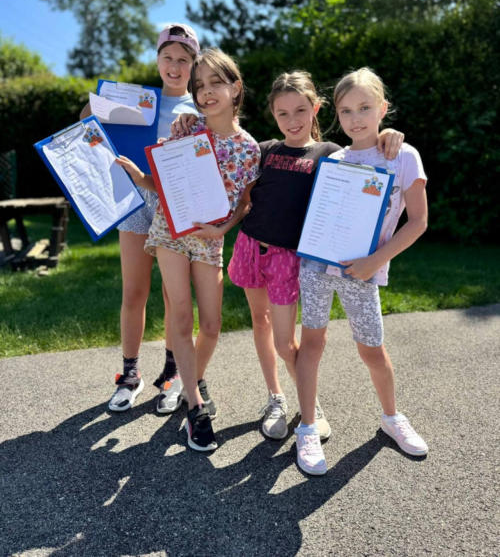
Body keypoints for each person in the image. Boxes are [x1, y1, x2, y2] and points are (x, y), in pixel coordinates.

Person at [226, 71, 404, 442]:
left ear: (316, 109)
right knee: (259, 322)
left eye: (300, 111)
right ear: (273, 115)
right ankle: (276, 398)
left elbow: (365, 147)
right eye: (283, 113)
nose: (292, 120)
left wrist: (389, 134)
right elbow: (240, 184)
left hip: (288, 257)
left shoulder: (330, 154)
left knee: (284, 342)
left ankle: (311, 406)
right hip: (250, 246)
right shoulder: (265, 150)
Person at [117, 48, 260, 451]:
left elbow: (245, 202)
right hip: (171, 232)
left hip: (210, 240)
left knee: (211, 324)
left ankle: (191, 379)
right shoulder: (185, 128)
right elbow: (163, 183)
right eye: (199, 86)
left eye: (216, 83)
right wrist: (139, 177)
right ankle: (195, 407)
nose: (206, 92)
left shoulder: (250, 148)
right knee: (180, 313)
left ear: (236, 88)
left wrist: (223, 229)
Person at [294, 66, 428, 475]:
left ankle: (391, 418)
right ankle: (307, 427)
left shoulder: (403, 156)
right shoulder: (334, 159)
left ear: (383, 108)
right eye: (347, 110)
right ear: (336, 114)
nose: (356, 118)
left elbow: (418, 222)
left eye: (365, 108)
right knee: (311, 345)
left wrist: (375, 261)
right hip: (317, 266)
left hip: (363, 271)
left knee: (372, 349)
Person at [81, 23, 201, 414]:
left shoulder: (200, 107)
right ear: (157, 59)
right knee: (134, 291)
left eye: (183, 59)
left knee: (173, 296)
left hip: (174, 205)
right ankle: (130, 374)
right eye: (167, 57)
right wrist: (100, 102)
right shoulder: (138, 101)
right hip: (135, 200)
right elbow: (87, 120)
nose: (174, 66)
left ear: (194, 64)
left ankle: (172, 372)